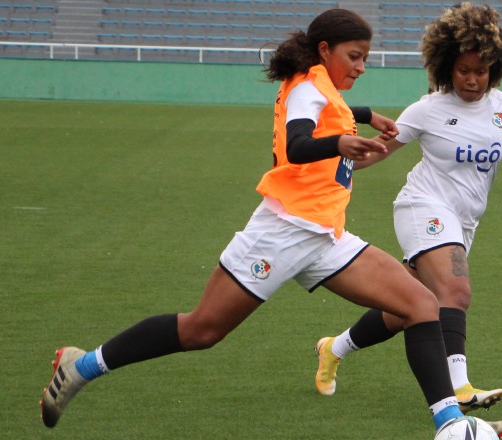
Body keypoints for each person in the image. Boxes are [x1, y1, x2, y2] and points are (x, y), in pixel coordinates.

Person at [39, 8, 471, 435]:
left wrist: (365, 113)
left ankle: (450, 424)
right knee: (201, 330)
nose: (361, 66)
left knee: (420, 305)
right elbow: (298, 145)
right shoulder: (309, 86)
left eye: (364, 57)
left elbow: (329, 107)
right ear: (325, 49)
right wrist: (341, 141)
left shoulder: (321, 85)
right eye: (354, 56)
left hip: (324, 236)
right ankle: (84, 365)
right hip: (282, 231)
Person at [313, 3, 502, 437]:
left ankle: (333, 348)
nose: (472, 80)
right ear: (445, 68)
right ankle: (460, 389)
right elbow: (377, 151)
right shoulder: (428, 109)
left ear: (495, 67)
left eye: (481, 70)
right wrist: (333, 156)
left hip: (464, 222)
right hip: (423, 207)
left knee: (408, 308)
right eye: (463, 70)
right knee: (456, 289)